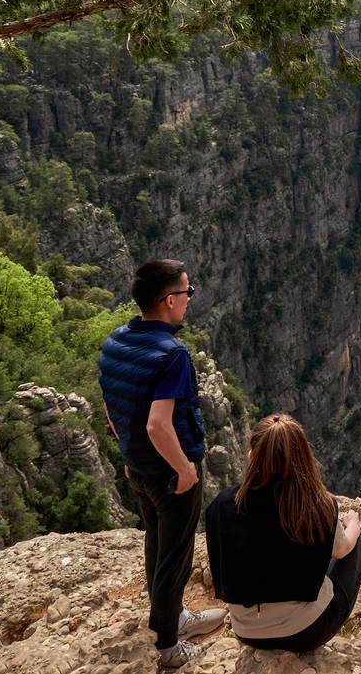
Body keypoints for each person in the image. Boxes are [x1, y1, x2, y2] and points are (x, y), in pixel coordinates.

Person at [99, 259, 227, 668]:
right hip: (171, 473)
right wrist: (185, 469)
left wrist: (129, 453)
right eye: (188, 293)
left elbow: (111, 406)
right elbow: (159, 424)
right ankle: (170, 647)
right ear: (169, 300)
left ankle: (172, 617)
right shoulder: (172, 355)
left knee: (156, 543)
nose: (190, 300)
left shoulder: (116, 341)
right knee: (175, 558)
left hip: (139, 470)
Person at [204, 413, 361, 652]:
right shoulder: (313, 506)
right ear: (302, 457)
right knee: (360, 542)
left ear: (252, 456)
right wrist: (353, 524)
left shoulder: (221, 506)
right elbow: (343, 551)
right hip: (308, 632)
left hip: (247, 632)